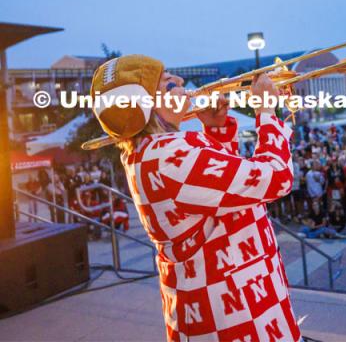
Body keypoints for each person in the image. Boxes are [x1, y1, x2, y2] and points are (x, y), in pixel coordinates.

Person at [88, 55, 301, 342]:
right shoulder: (169, 157)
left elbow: (220, 200)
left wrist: (217, 130)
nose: (180, 84)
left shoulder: (149, 153)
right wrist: (266, 111)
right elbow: (277, 178)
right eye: (168, 84)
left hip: (213, 303)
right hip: (235, 316)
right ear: (146, 106)